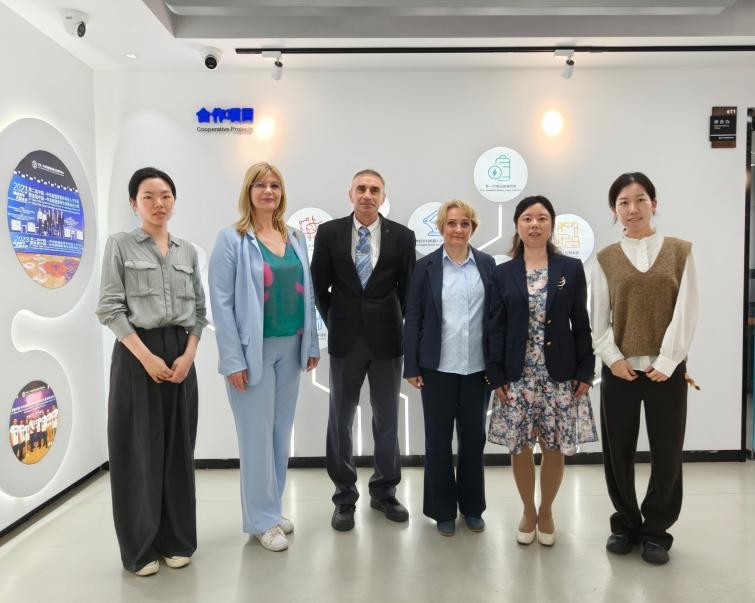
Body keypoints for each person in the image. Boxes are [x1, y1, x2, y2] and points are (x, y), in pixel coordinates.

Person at [96, 167, 207, 577]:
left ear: (174, 201)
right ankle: (140, 548)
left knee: (178, 451)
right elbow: (109, 308)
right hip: (136, 354)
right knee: (138, 453)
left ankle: (176, 540)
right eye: (148, 196)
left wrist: (189, 355)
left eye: (165, 196)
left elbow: (199, 311)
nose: (158, 203)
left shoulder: (187, 251)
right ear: (134, 203)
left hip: (180, 356)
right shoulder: (120, 245)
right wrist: (146, 359)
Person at [209, 162, 320, 552]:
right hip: (251, 351)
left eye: (274, 185)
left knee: (279, 434)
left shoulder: (295, 238)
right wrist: (232, 359)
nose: (268, 191)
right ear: (248, 192)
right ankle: (260, 520)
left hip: (291, 347)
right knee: (255, 438)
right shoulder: (233, 239)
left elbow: (307, 293)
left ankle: (270, 510)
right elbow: (221, 303)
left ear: (281, 192)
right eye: (260, 185)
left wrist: (311, 344)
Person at [592, 172, 698, 565]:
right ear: (614, 209)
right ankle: (625, 524)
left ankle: (656, 531)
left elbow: (687, 309)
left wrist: (668, 361)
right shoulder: (604, 258)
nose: (632, 209)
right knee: (617, 451)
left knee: (667, 452)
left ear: (654, 203)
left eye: (640, 200)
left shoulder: (680, 251)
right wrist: (613, 359)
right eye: (623, 202)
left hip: (665, 372)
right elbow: (597, 318)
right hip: (619, 372)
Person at [487, 195, 596, 546]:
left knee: (553, 446)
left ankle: (546, 510)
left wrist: (586, 368)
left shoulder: (570, 268)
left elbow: (581, 323)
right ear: (517, 225)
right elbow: (495, 327)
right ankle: (527, 510)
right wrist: (495, 374)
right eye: (527, 218)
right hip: (516, 376)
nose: (534, 224)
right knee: (520, 447)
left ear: (551, 224)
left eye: (542, 218)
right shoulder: (502, 272)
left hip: (559, 375)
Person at [311, 169, 416, 531]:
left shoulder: (403, 236)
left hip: (387, 341)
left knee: (386, 420)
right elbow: (319, 286)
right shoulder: (329, 233)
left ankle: (384, 491)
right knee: (340, 420)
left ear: (383, 196)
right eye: (361, 188)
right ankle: (344, 497)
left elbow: (407, 291)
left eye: (374, 189)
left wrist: (389, 319)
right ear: (350, 193)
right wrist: (337, 320)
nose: (367, 194)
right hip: (345, 341)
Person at [403, 199, 495, 536]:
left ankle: (472, 507)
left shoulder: (487, 264)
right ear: (441, 227)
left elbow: (495, 316)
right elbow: (413, 317)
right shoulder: (424, 267)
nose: (458, 229)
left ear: (473, 228)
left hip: (477, 370)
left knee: (473, 439)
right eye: (452, 223)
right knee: (438, 440)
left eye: (465, 223)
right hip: (436, 368)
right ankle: (442, 509)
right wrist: (411, 364)